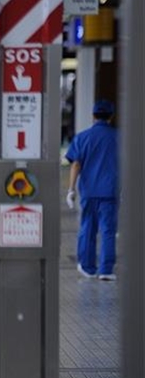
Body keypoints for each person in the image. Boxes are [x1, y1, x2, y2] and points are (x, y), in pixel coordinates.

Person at [65, 99, 120, 281]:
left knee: (87, 228)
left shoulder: (82, 137)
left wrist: (71, 190)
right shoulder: (119, 137)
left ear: (93, 116)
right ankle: (106, 270)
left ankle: (88, 268)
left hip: (88, 192)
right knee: (108, 231)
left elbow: (75, 164)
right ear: (111, 117)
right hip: (110, 192)